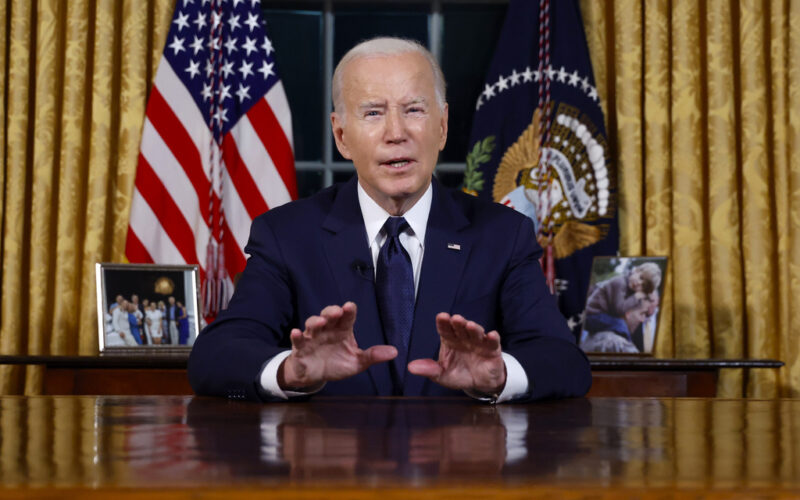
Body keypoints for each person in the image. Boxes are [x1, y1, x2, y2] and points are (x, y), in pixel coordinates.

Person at [188, 37, 591, 402]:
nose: (396, 133)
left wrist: (499, 376)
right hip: (336, 474)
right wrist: (290, 371)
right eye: (373, 113)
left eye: (414, 109)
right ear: (342, 135)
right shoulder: (286, 235)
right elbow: (216, 355)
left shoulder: (502, 234)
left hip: (458, 473)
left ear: (443, 126)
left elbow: (564, 362)